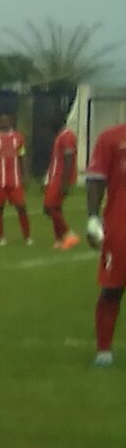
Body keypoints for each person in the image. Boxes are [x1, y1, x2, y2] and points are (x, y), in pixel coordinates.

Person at [88, 121, 126, 368]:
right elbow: (96, 178)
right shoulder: (111, 137)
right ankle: (104, 351)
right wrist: (92, 217)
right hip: (120, 227)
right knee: (112, 289)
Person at [0, 111, 31, 245]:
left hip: (15, 179)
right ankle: (1, 237)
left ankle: (27, 236)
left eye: (6, 120)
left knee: (21, 207)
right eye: (1, 120)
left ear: (11, 121)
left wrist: (25, 175)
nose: (4, 122)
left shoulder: (18, 137)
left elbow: (22, 157)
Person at [44, 124, 82, 251]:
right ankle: (60, 239)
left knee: (50, 207)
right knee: (54, 208)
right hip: (54, 177)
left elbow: (69, 158)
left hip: (60, 178)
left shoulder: (67, 136)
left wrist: (65, 181)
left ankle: (68, 234)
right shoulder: (60, 136)